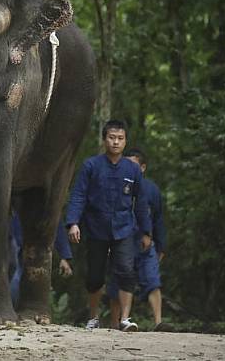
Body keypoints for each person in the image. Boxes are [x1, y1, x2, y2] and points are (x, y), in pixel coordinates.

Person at [65, 120, 151, 332]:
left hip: (124, 228)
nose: (116, 142)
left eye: (120, 138)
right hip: (96, 227)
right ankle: (93, 317)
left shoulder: (132, 169)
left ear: (125, 141)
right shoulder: (91, 166)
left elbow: (140, 202)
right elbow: (78, 195)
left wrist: (146, 231)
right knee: (95, 275)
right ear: (104, 140)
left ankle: (125, 318)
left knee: (126, 271)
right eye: (112, 138)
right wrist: (73, 222)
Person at [106, 148, 169, 331]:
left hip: (145, 244)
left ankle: (158, 322)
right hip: (121, 241)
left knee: (152, 281)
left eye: (133, 164)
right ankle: (116, 323)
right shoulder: (117, 185)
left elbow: (157, 218)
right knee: (118, 281)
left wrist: (160, 245)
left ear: (142, 167)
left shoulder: (151, 190)